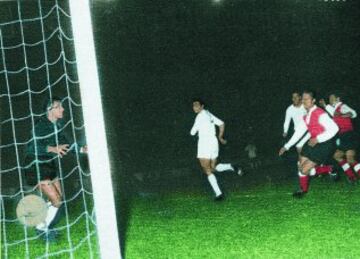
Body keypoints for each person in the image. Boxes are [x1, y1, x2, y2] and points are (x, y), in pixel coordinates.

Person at [24, 96, 87, 240]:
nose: (63, 109)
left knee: (58, 201)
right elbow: (31, 146)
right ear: (49, 110)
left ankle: (37, 216)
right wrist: (53, 148)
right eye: (59, 106)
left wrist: (83, 149)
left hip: (48, 165)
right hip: (35, 166)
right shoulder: (41, 125)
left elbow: (66, 146)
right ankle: (41, 229)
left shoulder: (56, 126)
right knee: (57, 200)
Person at [279, 90, 339, 198]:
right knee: (301, 168)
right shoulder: (307, 115)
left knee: (304, 169)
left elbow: (335, 128)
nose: (304, 101)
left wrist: (318, 139)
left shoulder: (319, 113)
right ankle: (329, 169)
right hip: (313, 142)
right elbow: (298, 133)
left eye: (307, 99)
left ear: (313, 101)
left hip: (324, 144)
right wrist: (286, 146)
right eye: (303, 99)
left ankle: (303, 190)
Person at [190, 98, 241, 201]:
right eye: (193, 105)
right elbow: (221, 123)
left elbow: (192, 132)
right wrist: (220, 137)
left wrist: (194, 130)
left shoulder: (199, 116)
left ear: (202, 106)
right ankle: (230, 166)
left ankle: (219, 194)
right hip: (214, 142)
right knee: (212, 168)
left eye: (196, 105)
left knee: (207, 170)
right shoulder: (208, 114)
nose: (194, 107)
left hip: (204, 143)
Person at [320, 92, 358, 183]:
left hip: (348, 134)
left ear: (338, 99)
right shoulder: (335, 109)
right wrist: (324, 105)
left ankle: (353, 176)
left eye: (332, 98)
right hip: (342, 136)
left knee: (350, 159)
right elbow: (333, 112)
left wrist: (342, 115)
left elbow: (353, 113)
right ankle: (351, 176)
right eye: (329, 98)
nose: (330, 100)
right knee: (337, 156)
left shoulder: (342, 106)